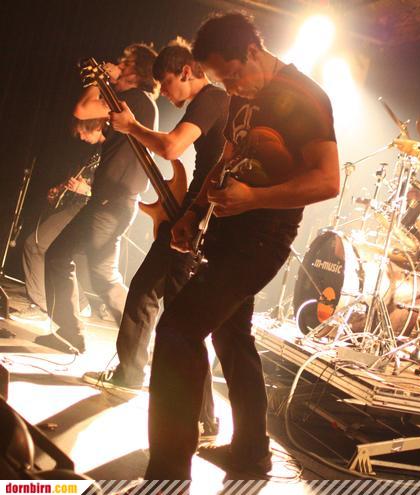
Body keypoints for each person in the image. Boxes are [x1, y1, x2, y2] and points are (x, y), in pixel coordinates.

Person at [143, 12, 340, 480]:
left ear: (252, 51)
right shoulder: (240, 97)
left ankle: (167, 476)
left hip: (262, 240)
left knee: (177, 331)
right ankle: (252, 453)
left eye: (232, 76)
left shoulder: (305, 96)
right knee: (232, 339)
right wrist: (193, 214)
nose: (231, 88)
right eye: (221, 82)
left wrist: (255, 198)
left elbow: (328, 180)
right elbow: (226, 158)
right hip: (228, 233)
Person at [82, 38, 229, 440]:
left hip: (200, 219)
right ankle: (130, 375)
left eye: (166, 83)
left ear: (186, 71)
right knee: (144, 290)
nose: (163, 93)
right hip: (189, 213)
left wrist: (132, 126)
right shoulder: (207, 102)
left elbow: (172, 147)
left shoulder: (212, 98)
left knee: (183, 318)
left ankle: (204, 418)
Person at [34, 43, 159, 354]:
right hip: (113, 201)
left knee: (73, 263)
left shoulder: (134, 100)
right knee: (96, 274)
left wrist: (98, 78)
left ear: (136, 70)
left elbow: (83, 109)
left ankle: (88, 336)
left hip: (110, 202)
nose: (118, 66)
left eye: (124, 63)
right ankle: (135, 344)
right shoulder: (138, 103)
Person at [13, 118, 105, 322]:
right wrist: (62, 188)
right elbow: (85, 180)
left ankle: (42, 306)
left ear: (97, 126)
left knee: (35, 245)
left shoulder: (113, 151)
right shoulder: (96, 153)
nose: (81, 137)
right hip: (77, 206)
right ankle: (80, 303)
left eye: (84, 131)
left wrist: (85, 190)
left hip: (88, 210)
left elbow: (109, 191)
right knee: (58, 254)